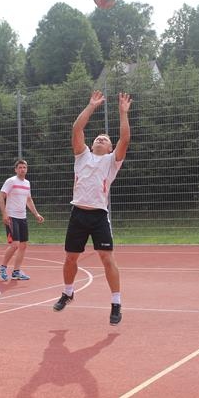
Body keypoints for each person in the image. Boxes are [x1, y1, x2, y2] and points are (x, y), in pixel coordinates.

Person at [52, 90, 131, 326]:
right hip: (78, 213)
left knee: (107, 258)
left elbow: (125, 139)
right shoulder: (82, 155)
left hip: (98, 215)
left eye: (105, 139)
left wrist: (123, 113)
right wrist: (91, 106)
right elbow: (77, 129)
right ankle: (68, 292)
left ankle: (116, 303)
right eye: (98, 137)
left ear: (110, 148)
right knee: (70, 258)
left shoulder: (111, 161)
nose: (100, 139)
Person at [0, 159, 44, 281]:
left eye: (24, 167)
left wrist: (36, 214)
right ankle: (2, 267)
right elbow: (1, 197)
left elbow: (29, 200)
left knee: (23, 245)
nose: (22, 169)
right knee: (15, 244)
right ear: (16, 169)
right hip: (12, 217)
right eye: (20, 167)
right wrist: (4, 214)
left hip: (23, 217)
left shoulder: (27, 183)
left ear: (27, 169)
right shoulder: (11, 181)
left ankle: (16, 272)